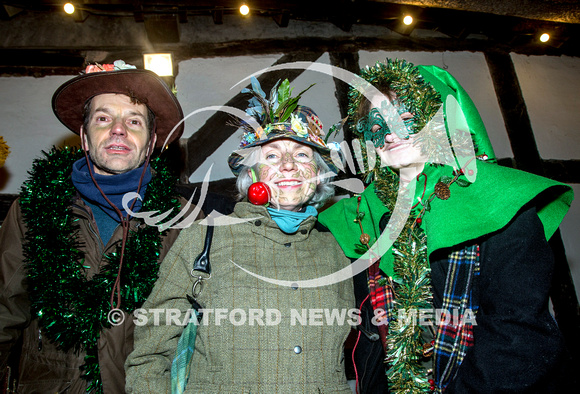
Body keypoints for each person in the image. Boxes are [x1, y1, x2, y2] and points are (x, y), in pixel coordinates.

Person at [319, 58, 574, 393]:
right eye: (376, 123)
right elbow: (371, 337)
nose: (391, 133)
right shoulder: (359, 217)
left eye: (407, 117)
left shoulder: (499, 200)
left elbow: (518, 339)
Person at [125, 79, 355, 393]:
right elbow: (151, 349)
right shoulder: (204, 238)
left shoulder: (336, 248)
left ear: (316, 174)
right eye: (272, 157)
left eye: (302, 155)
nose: (288, 165)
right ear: (253, 173)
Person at [0, 60, 202, 393]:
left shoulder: (184, 220)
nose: (118, 129)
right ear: (83, 136)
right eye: (103, 118)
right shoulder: (33, 207)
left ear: (151, 143)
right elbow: (5, 309)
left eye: (134, 121)